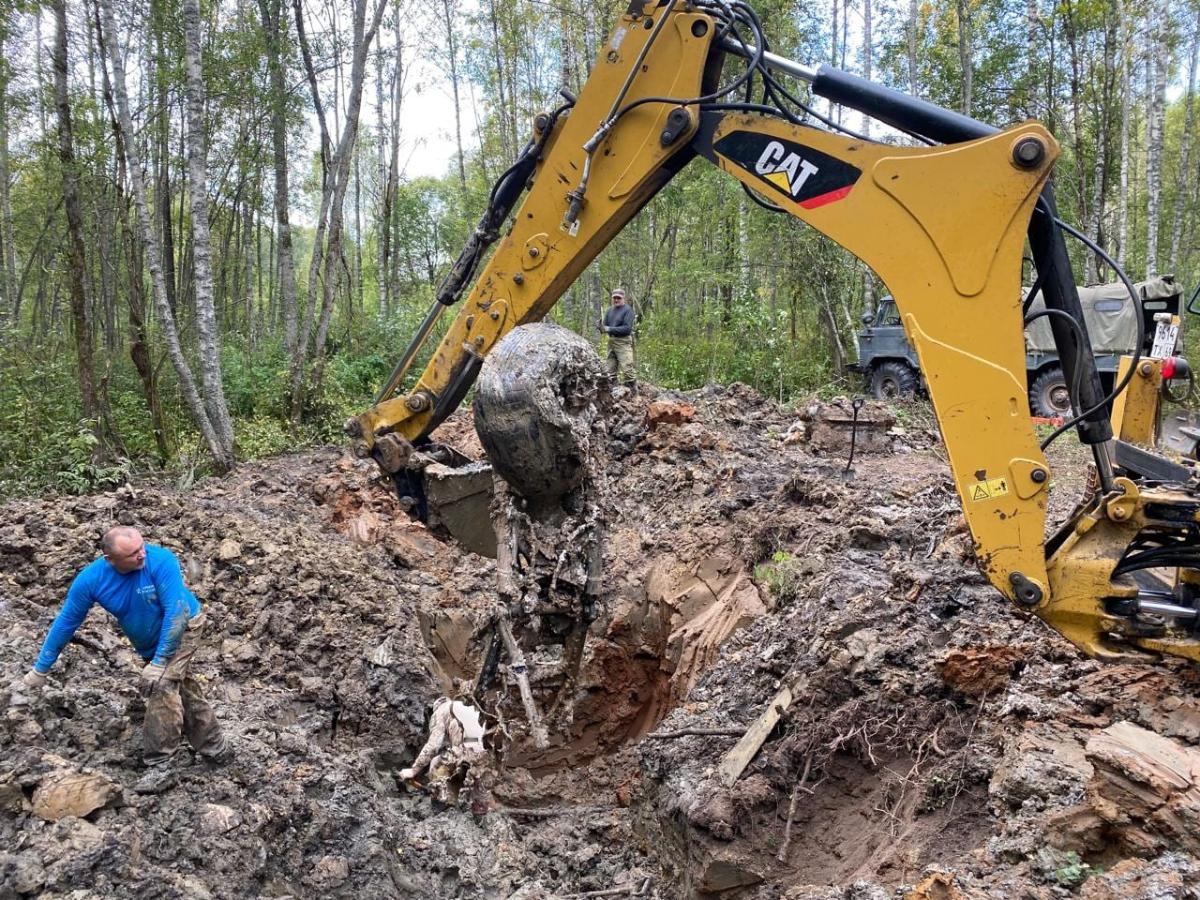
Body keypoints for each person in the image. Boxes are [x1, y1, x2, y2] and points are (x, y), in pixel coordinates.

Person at [13, 526, 228, 774]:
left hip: (184, 625)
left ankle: (160, 764)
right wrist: (40, 670)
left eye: (142, 547)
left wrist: (159, 662)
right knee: (183, 690)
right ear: (110, 559)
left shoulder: (161, 560)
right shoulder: (91, 580)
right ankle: (216, 748)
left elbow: (176, 611)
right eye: (133, 553)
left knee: (161, 684)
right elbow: (66, 622)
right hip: (149, 640)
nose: (142, 555)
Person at [599, 288, 636, 387]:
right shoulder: (609, 310)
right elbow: (605, 326)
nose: (616, 300)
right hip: (612, 341)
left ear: (623, 298)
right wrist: (601, 328)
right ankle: (613, 390)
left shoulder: (628, 310)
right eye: (614, 298)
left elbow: (627, 329)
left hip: (623, 341)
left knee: (627, 368)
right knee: (609, 369)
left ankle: (633, 393)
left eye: (618, 298)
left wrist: (609, 329)